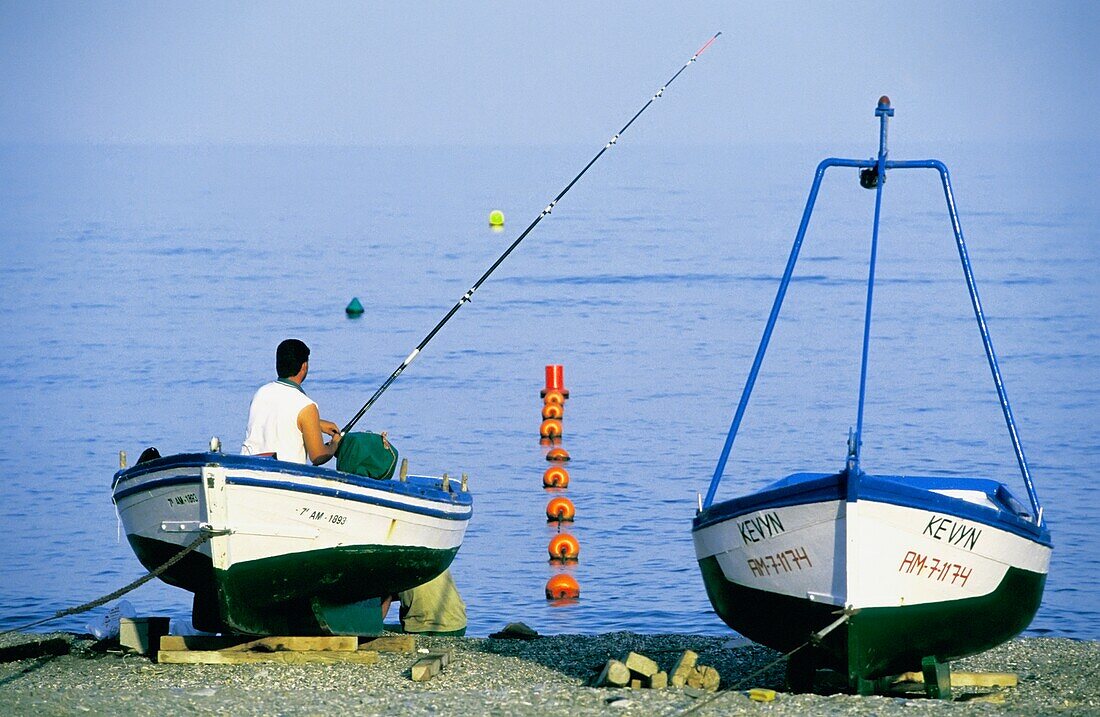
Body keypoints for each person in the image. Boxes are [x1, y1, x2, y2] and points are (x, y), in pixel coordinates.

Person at [241, 338, 342, 465]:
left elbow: (279, 415)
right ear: (304, 366)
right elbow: (318, 456)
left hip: (248, 466)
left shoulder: (261, 393)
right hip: (283, 474)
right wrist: (335, 444)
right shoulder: (306, 405)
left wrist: (317, 424)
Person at [381, 569, 467, 636]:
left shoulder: (393, 568)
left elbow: (386, 598)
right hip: (458, 623)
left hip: (423, 628)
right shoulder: (435, 557)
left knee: (381, 630)